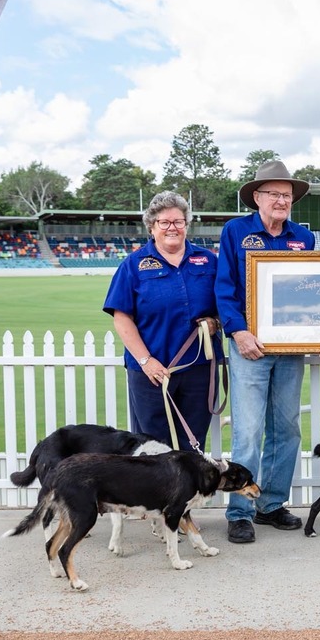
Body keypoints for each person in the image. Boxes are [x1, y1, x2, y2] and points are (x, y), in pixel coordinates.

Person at [216, 160, 315, 544]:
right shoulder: (236, 231)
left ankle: (271, 504)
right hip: (249, 346)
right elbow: (224, 287)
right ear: (256, 197)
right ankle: (239, 510)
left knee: (286, 427)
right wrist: (238, 331)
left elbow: (310, 291)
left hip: (290, 348)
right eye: (273, 193)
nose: (280, 200)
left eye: (286, 195)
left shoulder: (303, 237)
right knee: (249, 430)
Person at [103, 191, 221, 451]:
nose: (172, 228)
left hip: (198, 368)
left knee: (193, 446)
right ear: (152, 227)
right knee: (153, 449)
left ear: (186, 225)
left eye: (179, 221)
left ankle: (189, 494)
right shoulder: (133, 265)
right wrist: (146, 361)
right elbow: (122, 317)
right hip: (151, 373)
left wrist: (215, 321)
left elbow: (226, 303)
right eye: (164, 222)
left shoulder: (209, 261)